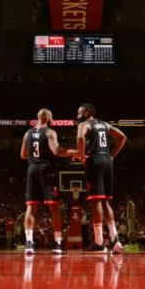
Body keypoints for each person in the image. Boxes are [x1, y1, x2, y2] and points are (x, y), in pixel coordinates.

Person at [21, 108, 77, 255]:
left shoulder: (28, 133)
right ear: (48, 118)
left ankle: (28, 243)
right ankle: (57, 243)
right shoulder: (50, 132)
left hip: (32, 169)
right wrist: (74, 151)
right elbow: (57, 151)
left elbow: (23, 154)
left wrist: (36, 157)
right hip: (46, 169)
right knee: (54, 207)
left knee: (31, 208)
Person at [76, 103, 127, 254]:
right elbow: (123, 137)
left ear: (86, 112)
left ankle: (99, 243)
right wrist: (112, 156)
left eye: (79, 113)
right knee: (105, 201)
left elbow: (80, 138)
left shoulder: (84, 124)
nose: (77, 116)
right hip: (107, 161)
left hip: (95, 161)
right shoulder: (105, 124)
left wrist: (81, 156)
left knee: (95, 201)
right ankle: (115, 239)